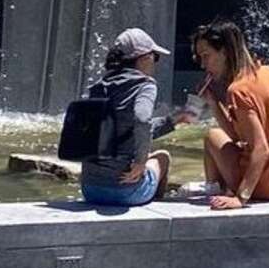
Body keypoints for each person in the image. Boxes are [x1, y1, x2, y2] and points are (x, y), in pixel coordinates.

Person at [191, 20, 269, 209]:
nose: (203, 64)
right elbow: (238, 136)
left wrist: (241, 198)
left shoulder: (238, 90)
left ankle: (217, 190)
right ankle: (221, 189)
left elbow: (261, 149)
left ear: (225, 52)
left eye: (206, 56)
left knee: (212, 136)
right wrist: (213, 102)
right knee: (218, 135)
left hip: (267, 185)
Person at [80, 28, 190, 207]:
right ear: (143, 57)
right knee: (162, 157)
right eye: (155, 56)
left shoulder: (98, 87)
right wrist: (140, 162)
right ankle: (154, 213)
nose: (155, 62)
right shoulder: (144, 85)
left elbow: (129, 128)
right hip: (126, 191)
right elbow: (141, 120)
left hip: (90, 189)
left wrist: (174, 120)